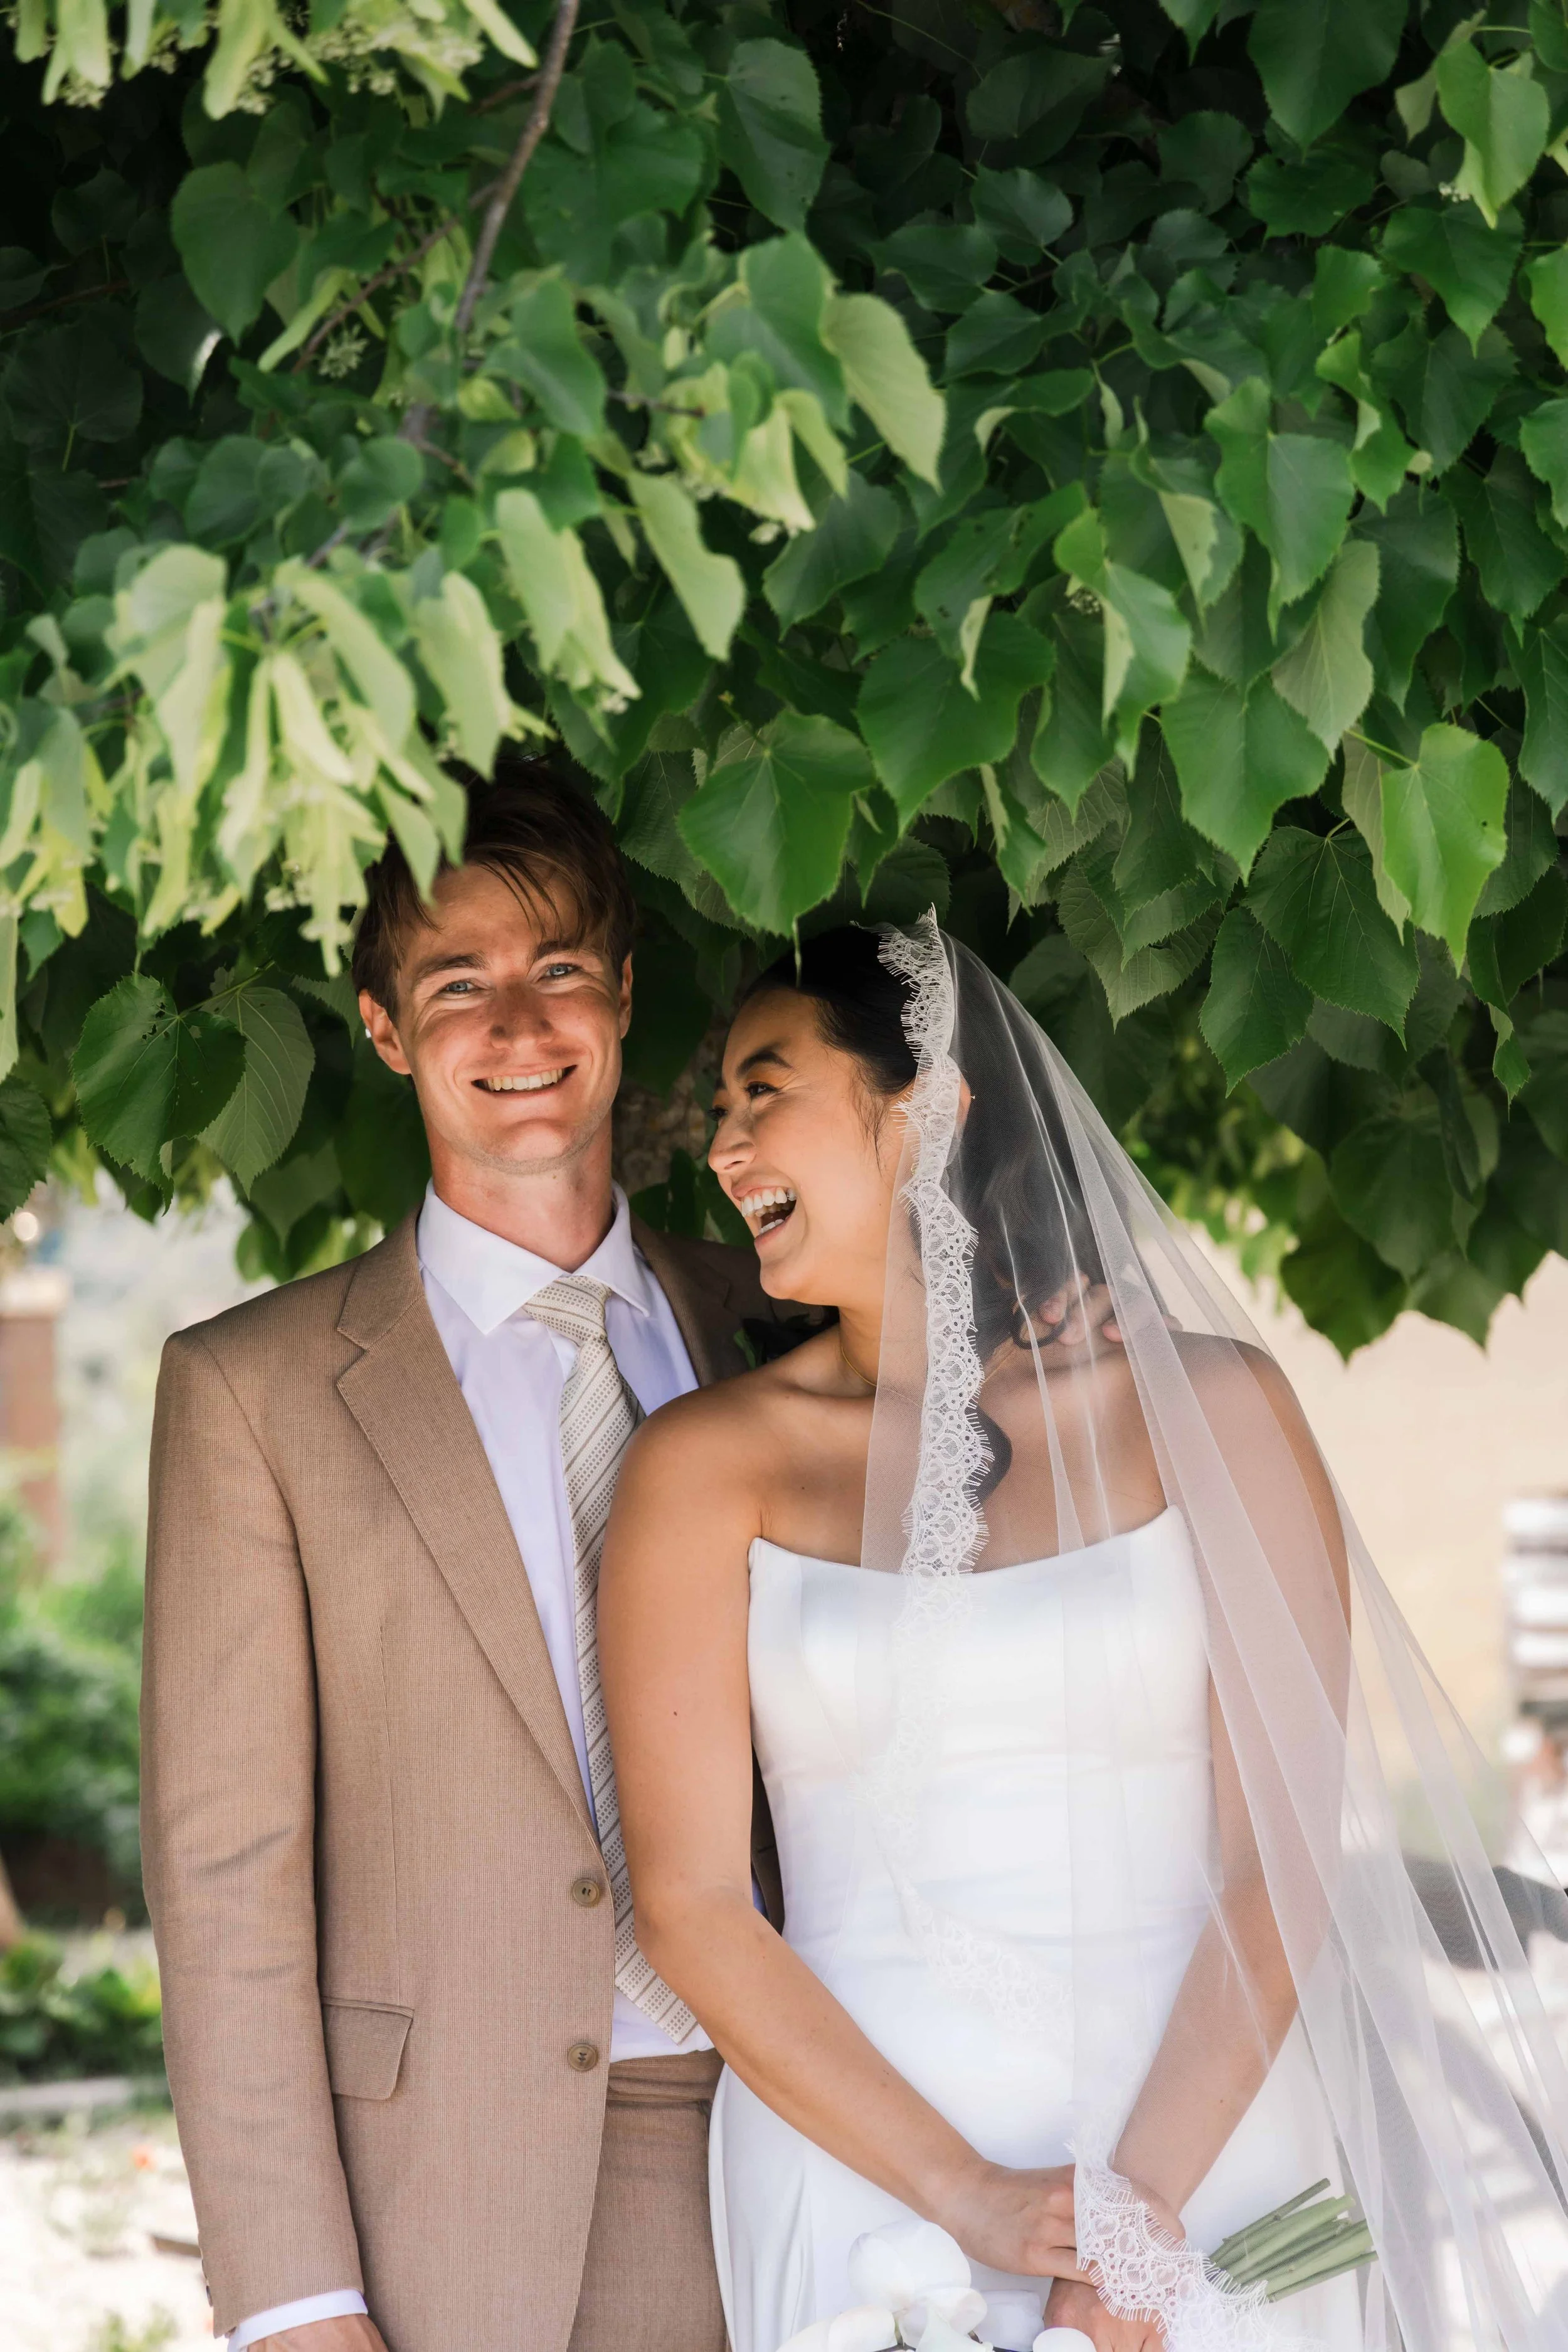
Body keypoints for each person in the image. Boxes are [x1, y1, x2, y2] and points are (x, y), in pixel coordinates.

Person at [598, 916, 1568, 2352]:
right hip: (874, 2185)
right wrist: (975, 2200)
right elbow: (688, 1908)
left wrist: (1127, 2227)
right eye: (723, 1109)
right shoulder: (702, 1468)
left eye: (767, 1089)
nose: (724, 1148)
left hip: (1214, 2137)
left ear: (927, 1103)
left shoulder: (1213, 1413)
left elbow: (1281, 1850)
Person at [140, 765, 791, 2352]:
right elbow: (225, 1881)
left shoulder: (785, 1325)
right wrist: (294, 2298)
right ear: (379, 1029)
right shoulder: (253, 1392)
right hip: (444, 2196)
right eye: (457, 986)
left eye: (558, 971)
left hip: (808, 2145)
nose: (517, 1027)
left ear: (625, 1000)